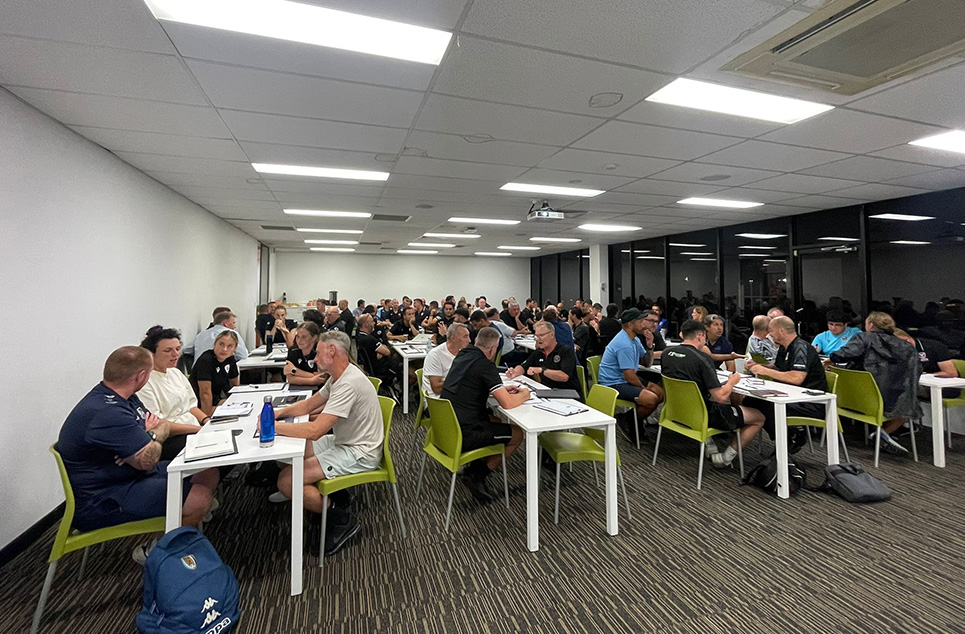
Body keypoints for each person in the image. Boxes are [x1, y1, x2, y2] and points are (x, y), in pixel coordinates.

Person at [58, 347, 219, 562]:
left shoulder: (125, 397)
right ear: (142, 376)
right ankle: (155, 552)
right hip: (104, 498)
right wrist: (154, 436)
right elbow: (147, 458)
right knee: (199, 499)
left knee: (207, 469)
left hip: (129, 474)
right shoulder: (107, 411)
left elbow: (155, 427)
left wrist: (146, 439)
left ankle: (185, 525)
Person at [273, 331, 384, 555]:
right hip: (346, 441)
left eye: (318, 353)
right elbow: (308, 405)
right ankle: (337, 496)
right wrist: (276, 414)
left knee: (287, 482)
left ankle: (341, 519)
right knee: (286, 458)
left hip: (360, 451)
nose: (314, 359)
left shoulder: (348, 383)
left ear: (331, 351)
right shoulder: (339, 376)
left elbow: (315, 431)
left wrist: (272, 427)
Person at [662, 320, 766, 469]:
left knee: (705, 398)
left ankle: (709, 443)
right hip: (701, 415)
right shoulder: (703, 359)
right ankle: (725, 458)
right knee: (758, 417)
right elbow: (721, 397)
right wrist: (732, 381)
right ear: (700, 336)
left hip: (676, 412)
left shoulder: (667, 354)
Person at [441, 327, 530, 500]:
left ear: (476, 342)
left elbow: (470, 385)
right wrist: (525, 395)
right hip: (464, 432)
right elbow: (508, 403)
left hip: (448, 424)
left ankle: (476, 465)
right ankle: (477, 475)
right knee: (517, 434)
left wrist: (501, 390)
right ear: (493, 349)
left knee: (496, 420)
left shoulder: (463, 354)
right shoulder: (485, 365)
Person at [829, 312, 922, 454]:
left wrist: (831, 359)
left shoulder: (864, 338)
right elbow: (916, 371)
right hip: (894, 400)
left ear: (871, 325)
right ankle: (882, 433)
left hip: (860, 400)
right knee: (910, 404)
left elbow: (842, 355)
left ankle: (879, 434)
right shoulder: (907, 347)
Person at [745, 316, 828, 454]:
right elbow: (778, 368)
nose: (769, 334)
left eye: (771, 330)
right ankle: (786, 436)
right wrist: (759, 366)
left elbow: (797, 377)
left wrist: (764, 371)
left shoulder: (801, 347)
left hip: (809, 401)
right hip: (788, 394)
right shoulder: (784, 348)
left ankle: (790, 438)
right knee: (751, 401)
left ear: (781, 331)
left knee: (768, 406)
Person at [138, 326, 207, 461]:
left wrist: (207, 421)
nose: (175, 354)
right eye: (168, 350)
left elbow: (191, 406)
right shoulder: (146, 381)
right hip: (171, 438)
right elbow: (159, 424)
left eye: (177, 349)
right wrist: (197, 430)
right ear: (152, 354)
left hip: (193, 428)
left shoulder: (175, 372)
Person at [597, 308, 665, 428]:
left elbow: (646, 363)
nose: (643, 324)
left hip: (623, 379)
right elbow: (630, 378)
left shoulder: (635, 340)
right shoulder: (624, 344)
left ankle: (632, 419)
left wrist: (650, 346)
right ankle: (629, 421)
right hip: (613, 383)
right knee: (651, 399)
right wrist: (644, 389)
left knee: (660, 393)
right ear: (630, 324)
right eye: (640, 321)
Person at [505, 320, 582, 395]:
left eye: (541, 335)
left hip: (568, 394)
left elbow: (564, 376)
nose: (538, 339)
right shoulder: (539, 352)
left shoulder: (565, 351)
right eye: (536, 336)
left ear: (552, 335)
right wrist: (515, 372)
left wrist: (542, 370)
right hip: (547, 392)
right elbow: (524, 366)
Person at [895, 328, 960, 398]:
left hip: (942, 386)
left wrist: (922, 377)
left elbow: (951, 373)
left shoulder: (935, 346)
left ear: (907, 341)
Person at [189, 330, 240, 415]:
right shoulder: (206, 360)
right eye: (221, 344)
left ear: (235, 349)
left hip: (216, 400)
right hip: (198, 405)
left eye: (230, 346)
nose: (224, 349)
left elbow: (234, 386)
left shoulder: (230, 359)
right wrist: (206, 418)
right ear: (214, 344)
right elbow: (205, 393)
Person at [423, 322, 471, 396]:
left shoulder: (465, 354)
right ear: (453, 338)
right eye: (465, 336)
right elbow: (436, 389)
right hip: (438, 399)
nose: (469, 340)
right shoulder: (435, 355)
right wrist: (461, 379)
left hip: (456, 394)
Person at [285, 322, 326, 389]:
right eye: (297, 336)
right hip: (297, 389)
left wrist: (295, 371)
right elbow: (290, 379)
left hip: (320, 390)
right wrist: (312, 380)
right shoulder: (293, 350)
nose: (299, 340)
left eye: (304, 337)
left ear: (314, 338)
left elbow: (322, 377)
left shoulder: (320, 351)